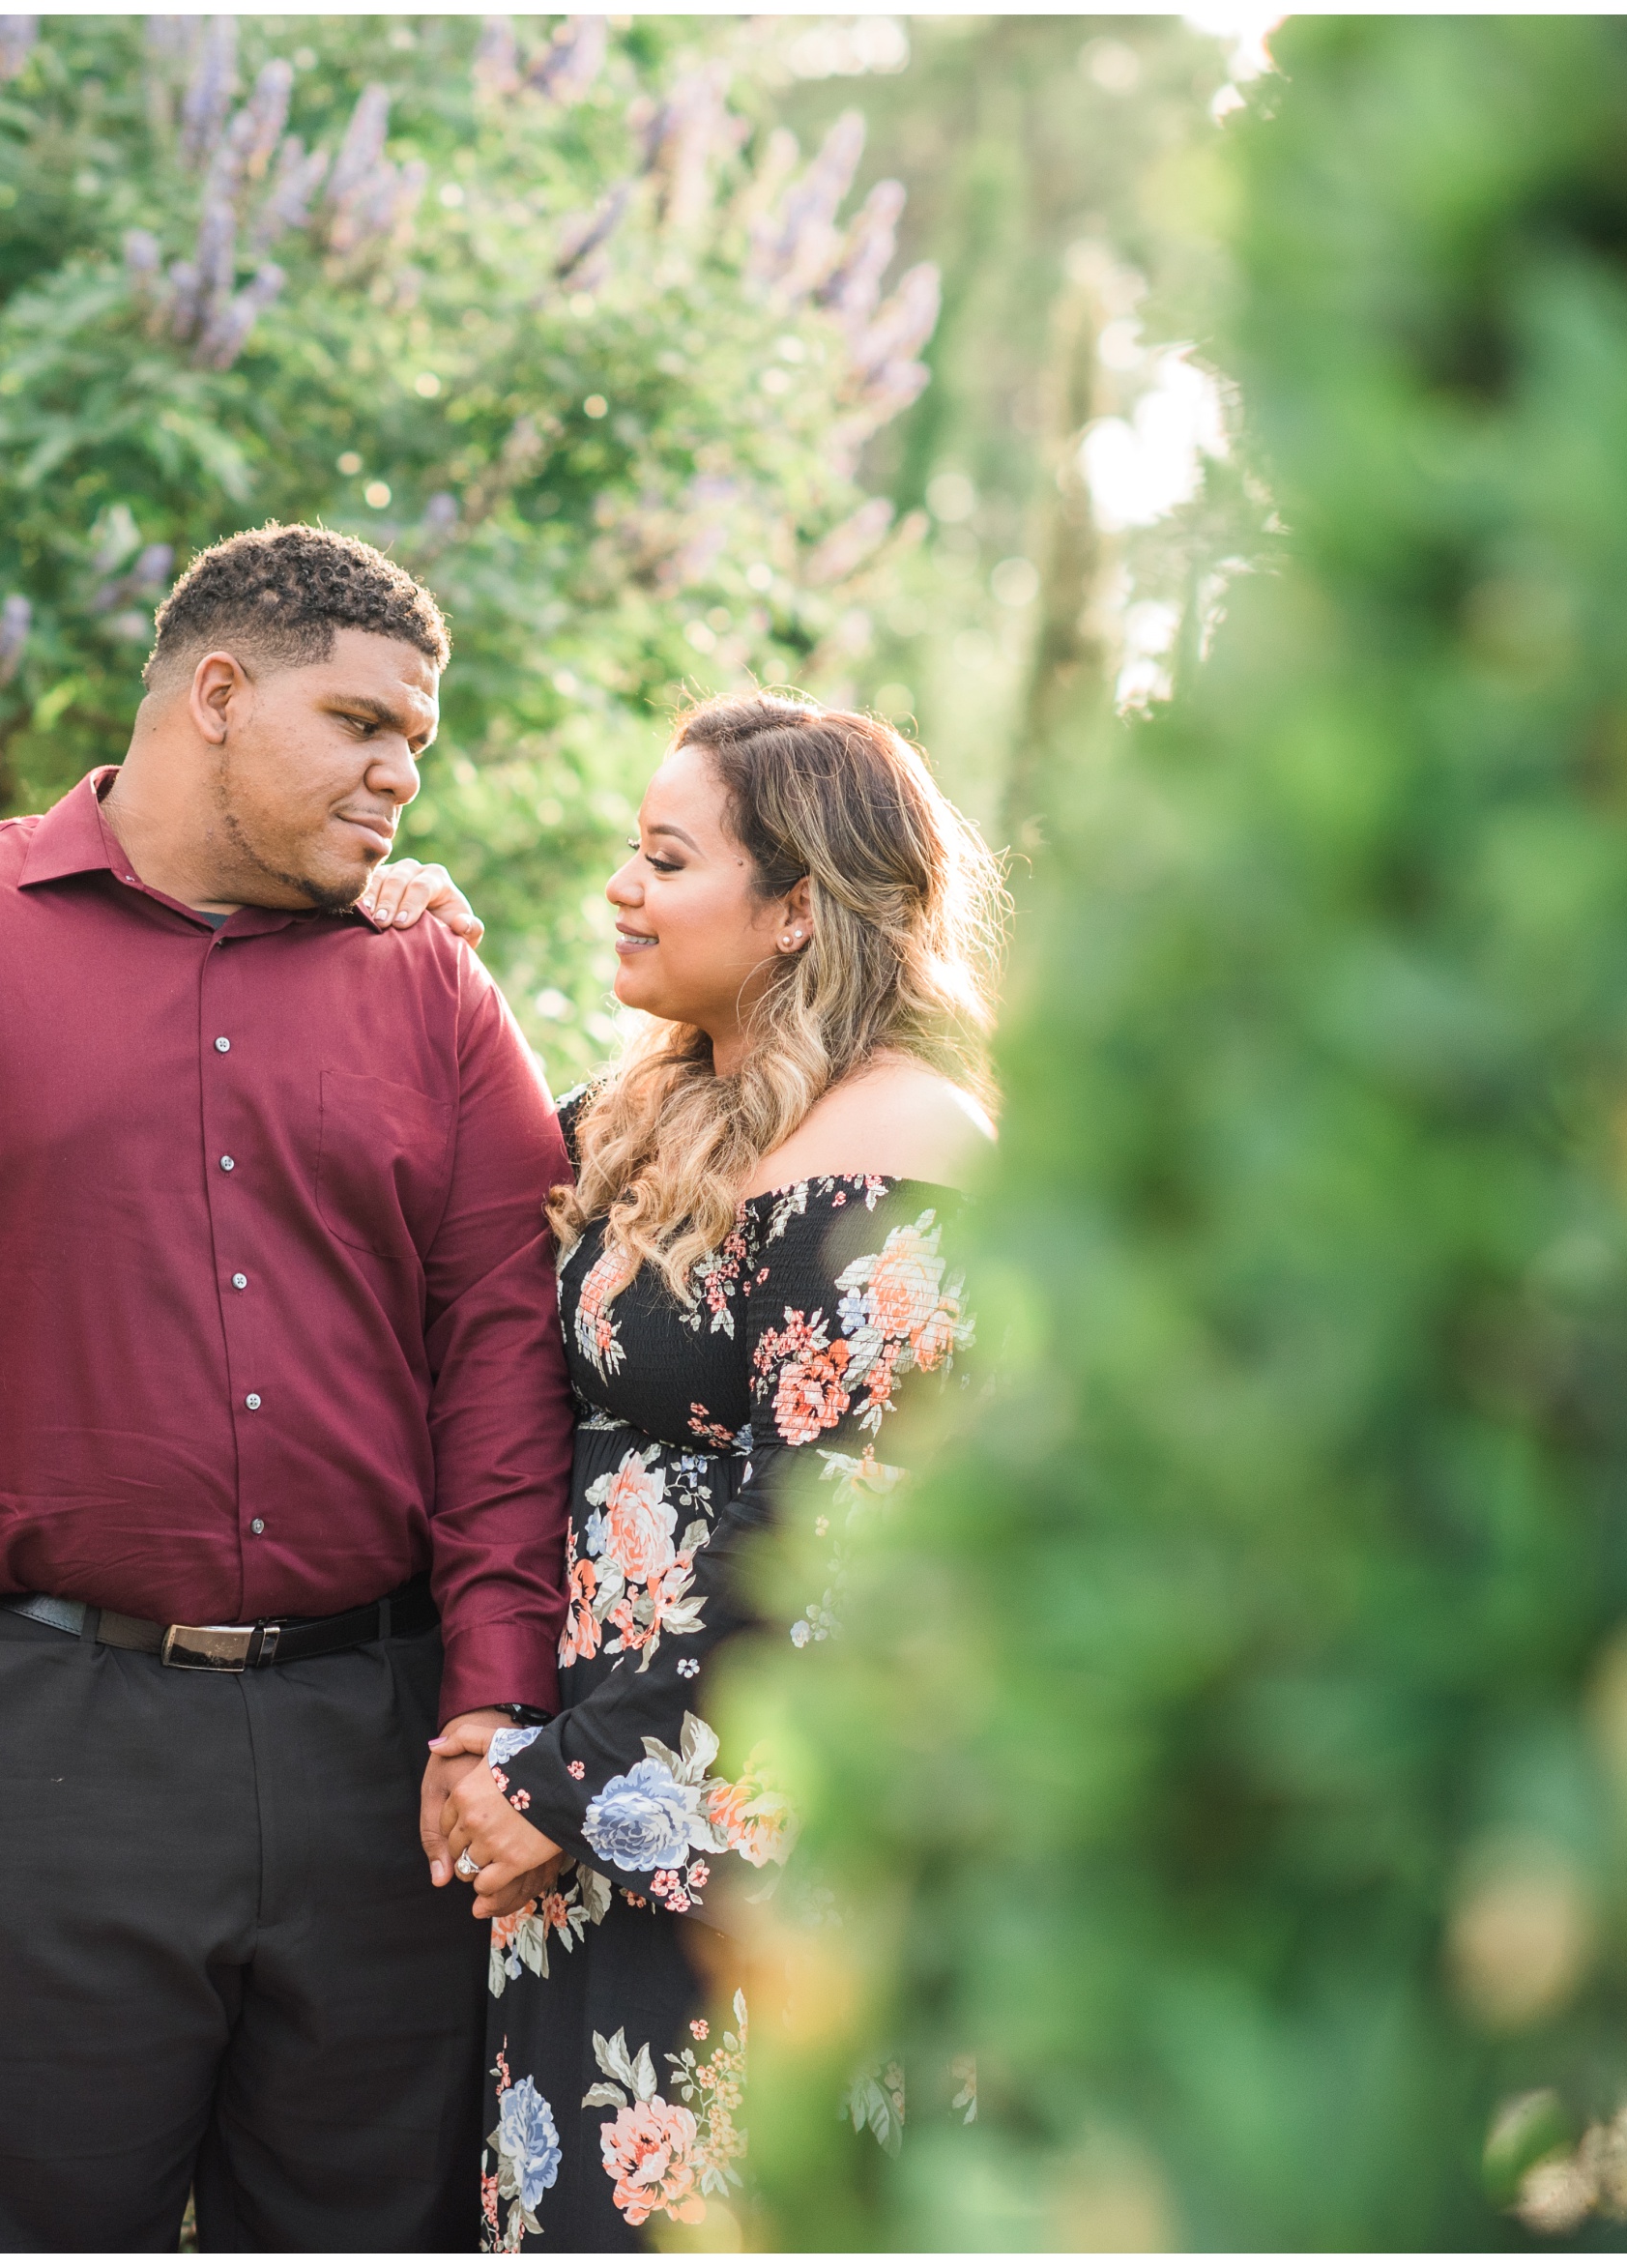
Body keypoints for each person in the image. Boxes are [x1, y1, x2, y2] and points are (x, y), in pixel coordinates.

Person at [0, 522, 576, 2250]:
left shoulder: (434, 988)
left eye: (421, 742)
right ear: (220, 693)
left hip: (376, 1766)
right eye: (364, 725)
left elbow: (504, 1352)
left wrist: (488, 1701)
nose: (403, 774)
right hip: (18, 1745)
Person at [429, 694, 1005, 2250]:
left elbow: (824, 1539)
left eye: (666, 856)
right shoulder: (649, 1111)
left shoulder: (907, 1138)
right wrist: (406, 959)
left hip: (752, 1841)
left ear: (797, 906)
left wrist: (556, 1783)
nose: (623, 885)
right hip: (579, 1830)